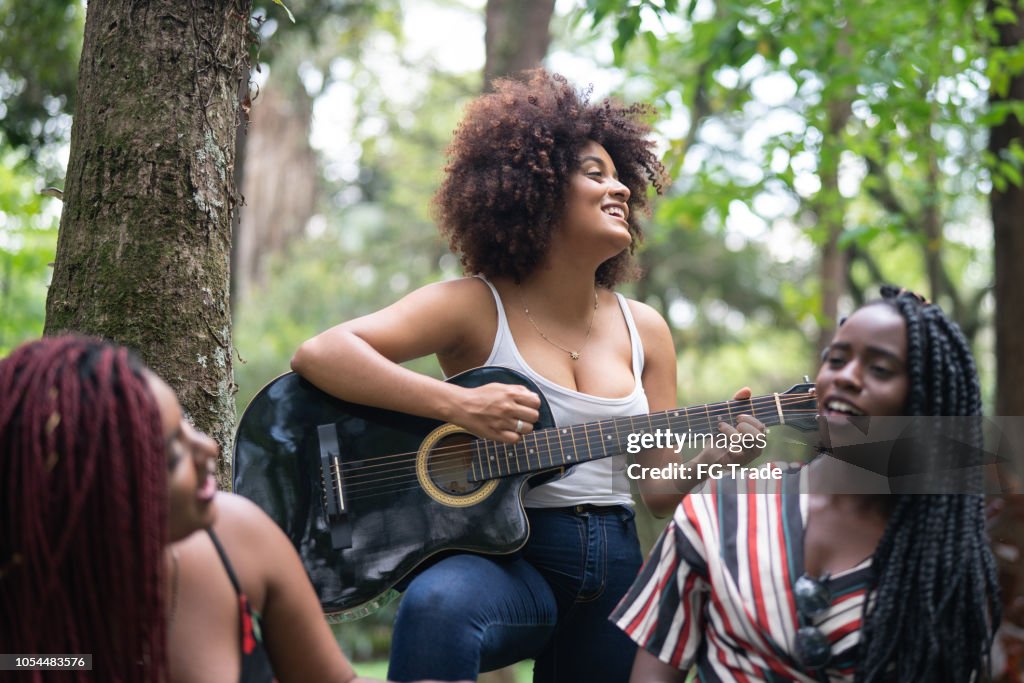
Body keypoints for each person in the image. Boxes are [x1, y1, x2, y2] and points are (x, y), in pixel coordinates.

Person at [290, 69, 764, 683]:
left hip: (617, 565)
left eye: (620, 177)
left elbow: (654, 488)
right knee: (436, 608)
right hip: (507, 557)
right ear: (533, 189)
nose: (618, 188)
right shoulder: (472, 305)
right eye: (595, 174)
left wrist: (719, 456)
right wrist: (456, 406)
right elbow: (322, 353)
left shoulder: (646, 330)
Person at [0, 335, 451, 683]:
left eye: (188, 426)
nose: (209, 448)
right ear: (94, 496)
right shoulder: (26, 623)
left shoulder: (238, 537)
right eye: (173, 454)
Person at [612, 286, 1002, 682]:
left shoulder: (946, 555)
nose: (846, 377)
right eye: (836, 359)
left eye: (880, 369)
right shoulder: (719, 509)